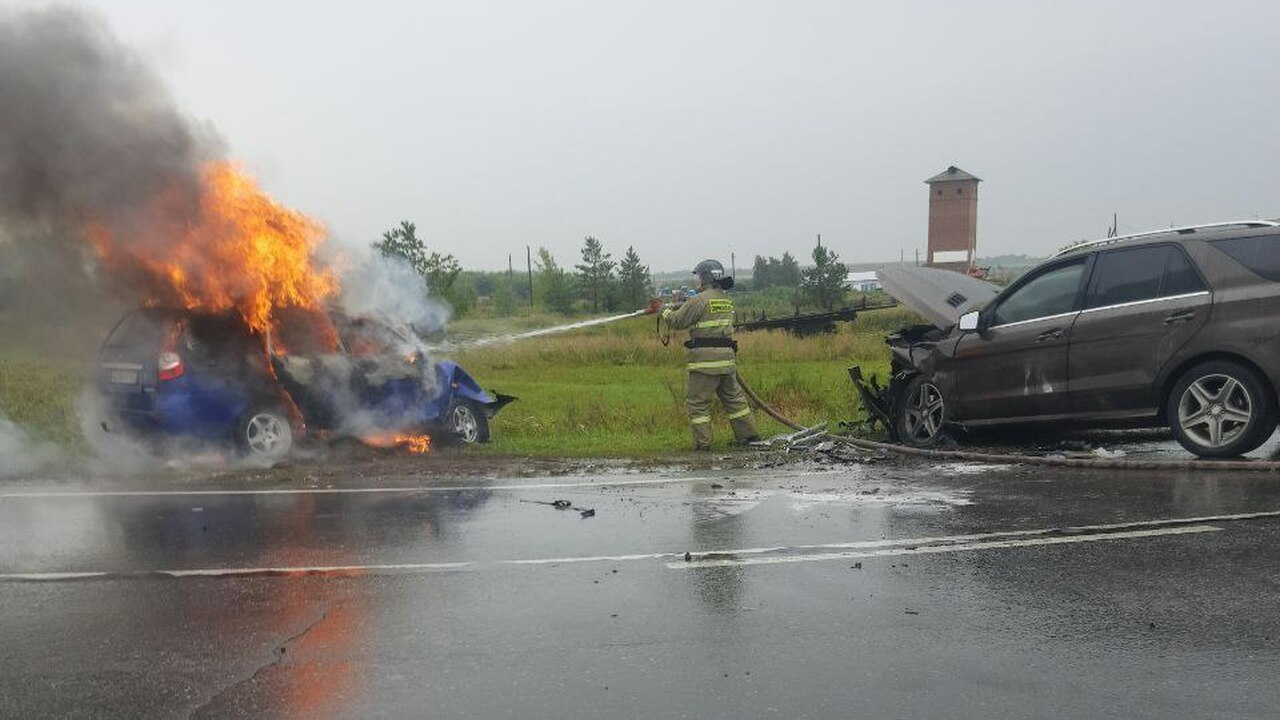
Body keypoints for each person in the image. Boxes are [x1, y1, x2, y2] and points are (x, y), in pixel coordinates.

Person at [657, 259, 760, 450]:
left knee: (697, 404)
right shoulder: (724, 299)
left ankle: (702, 444)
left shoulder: (699, 300)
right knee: (734, 400)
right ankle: (749, 437)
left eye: (697, 277)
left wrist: (662, 311)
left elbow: (678, 321)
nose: (696, 281)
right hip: (727, 360)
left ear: (705, 278)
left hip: (705, 362)